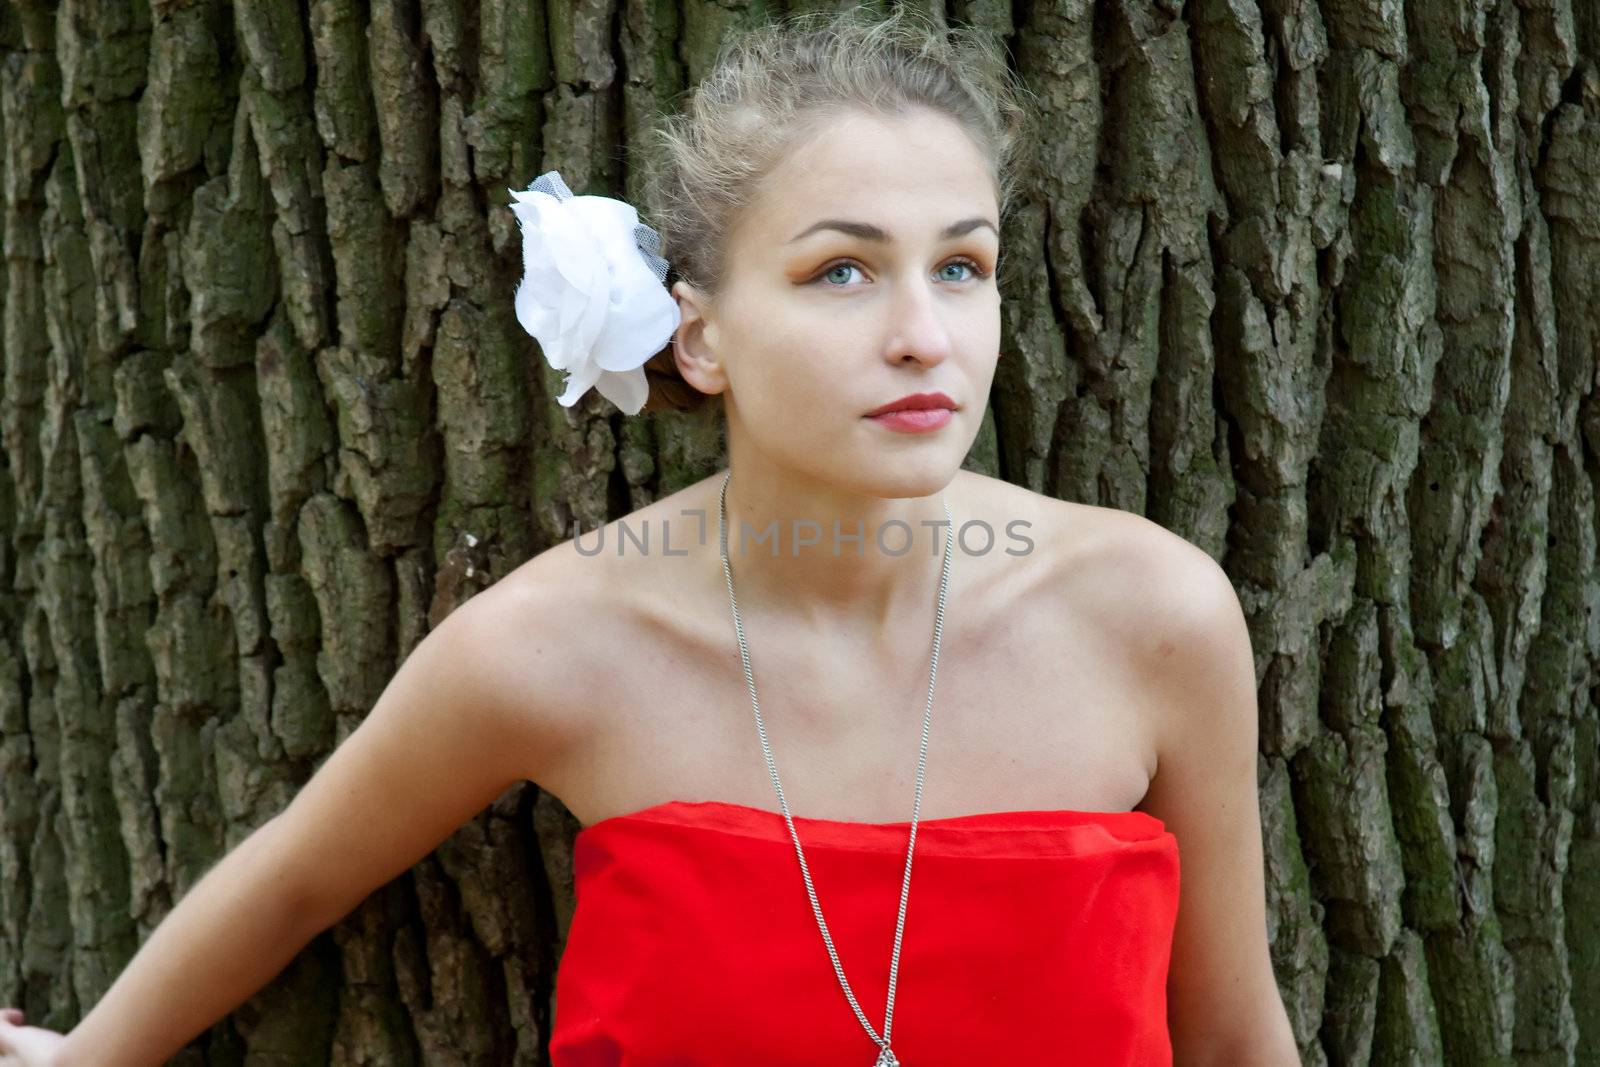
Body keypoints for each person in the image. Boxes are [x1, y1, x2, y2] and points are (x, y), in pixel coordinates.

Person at [1, 7, 1299, 1066]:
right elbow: (294, 876)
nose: (924, 333)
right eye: (840, 271)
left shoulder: (1155, 619)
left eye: (961, 266)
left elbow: (1238, 1039)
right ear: (699, 334)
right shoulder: (560, 647)